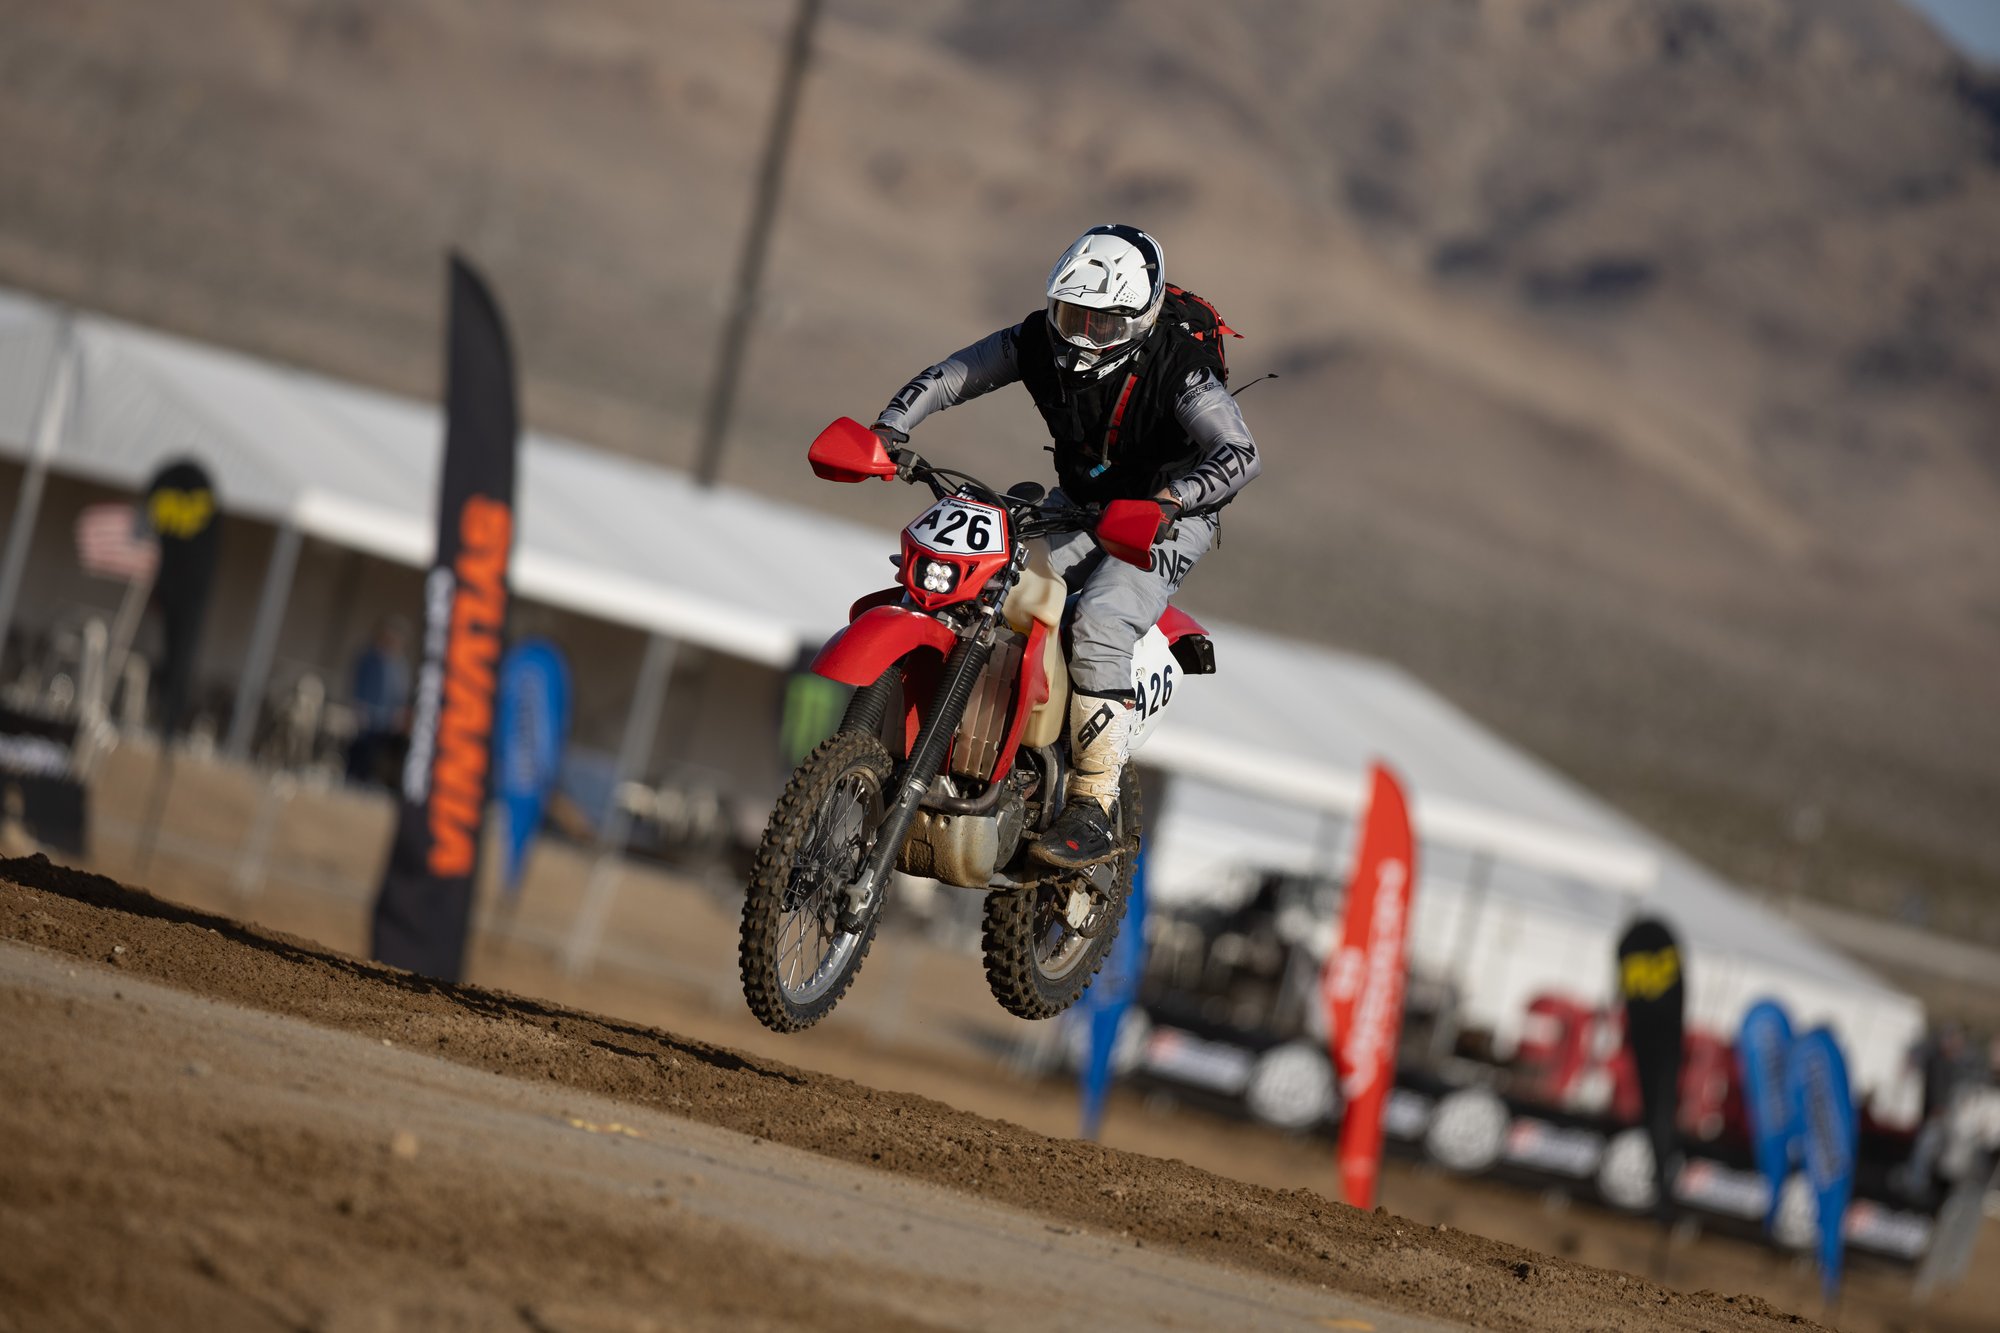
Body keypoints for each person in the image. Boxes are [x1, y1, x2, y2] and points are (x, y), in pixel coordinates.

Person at [870, 225, 1263, 868]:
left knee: (1101, 618)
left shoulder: (1179, 367)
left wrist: (1171, 502)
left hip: (1169, 515)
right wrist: (889, 428)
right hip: (1081, 503)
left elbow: (1240, 453)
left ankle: (1093, 804)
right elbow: (951, 375)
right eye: (1069, 314)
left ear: (1139, 319)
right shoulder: (1036, 338)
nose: (1080, 335)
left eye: (1101, 323)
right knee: (987, 579)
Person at [346, 616, 411, 787]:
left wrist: (399, 712)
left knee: (377, 751)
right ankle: (352, 778)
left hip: (386, 717)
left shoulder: (399, 665)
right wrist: (359, 707)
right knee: (360, 747)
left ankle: (366, 780)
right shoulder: (368, 658)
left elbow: (400, 692)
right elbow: (359, 684)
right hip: (367, 712)